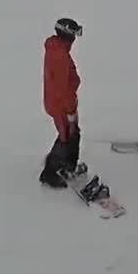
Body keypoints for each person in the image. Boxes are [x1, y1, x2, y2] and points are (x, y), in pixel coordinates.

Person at [39, 17, 85, 187]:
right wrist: (70, 109)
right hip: (62, 105)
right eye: (75, 33)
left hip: (58, 102)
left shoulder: (58, 49)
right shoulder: (60, 56)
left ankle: (67, 166)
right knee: (68, 136)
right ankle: (50, 174)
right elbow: (62, 87)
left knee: (71, 134)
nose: (76, 37)